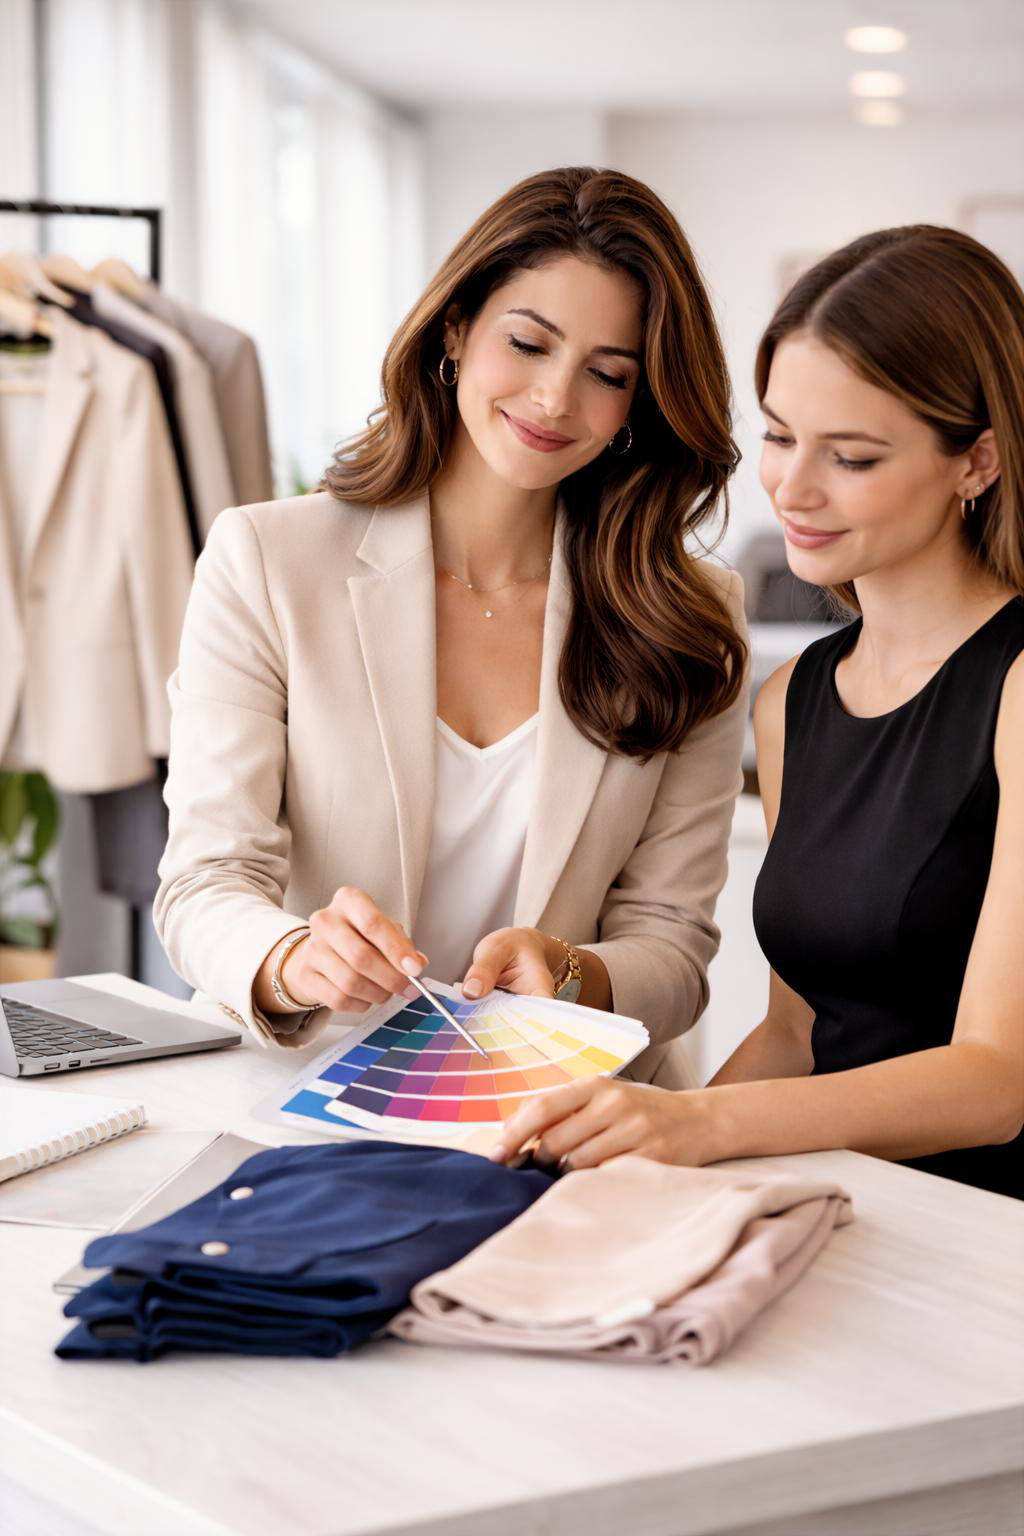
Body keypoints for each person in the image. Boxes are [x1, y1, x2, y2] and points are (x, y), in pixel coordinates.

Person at [154, 166, 750, 1086]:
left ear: (641, 403)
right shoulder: (268, 562)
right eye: (529, 343)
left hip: (556, 1121)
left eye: (607, 373)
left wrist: (574, 971)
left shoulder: (688, 616)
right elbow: (202, 883)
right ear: (457, 330)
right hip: (296, 1099)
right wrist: (290, 959)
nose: (555, 399)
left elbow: (673, 948)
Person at [491, 224, 1024, 1197]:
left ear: (977, 462)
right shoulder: (793, 702)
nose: (790, 487)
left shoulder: (1017, 688)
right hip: (843, 1208)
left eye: (851, 456)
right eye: (778, 437)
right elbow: (794, 1032)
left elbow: (996, 1081)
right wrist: (627, 1169)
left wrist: (695, 1122)